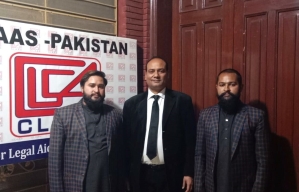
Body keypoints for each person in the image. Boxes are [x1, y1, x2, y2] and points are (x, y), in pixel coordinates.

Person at [123, 56, 196, 192]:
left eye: (160, 71)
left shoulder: (182, 101)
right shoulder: (131, 104)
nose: (156, 75)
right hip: (140, 173)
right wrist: (126, 174)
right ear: (145, 75)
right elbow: (126, 142)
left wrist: (188, 172)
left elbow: (190, 140)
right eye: (151, 71)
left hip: (172, 173)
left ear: (167, 74)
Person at [194, 68, 269, 192]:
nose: (226, 89)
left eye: (232, 84)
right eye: (222, 85)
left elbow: (263, 161)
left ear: (241, 87)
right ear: (216, 87)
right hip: (212, 187)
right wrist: (198, 188)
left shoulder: (256, 116)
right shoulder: (205, 115)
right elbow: (199, 156)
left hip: (244, 187)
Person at [48, 70, 124, 192]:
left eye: (101, 86)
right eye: (92, 86)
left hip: (109, 184)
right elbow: (54, 161)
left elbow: (121, 154)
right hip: (77, 185)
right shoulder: (63, 115)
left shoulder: (115, 114)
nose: (96, 90)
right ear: (82, 88)